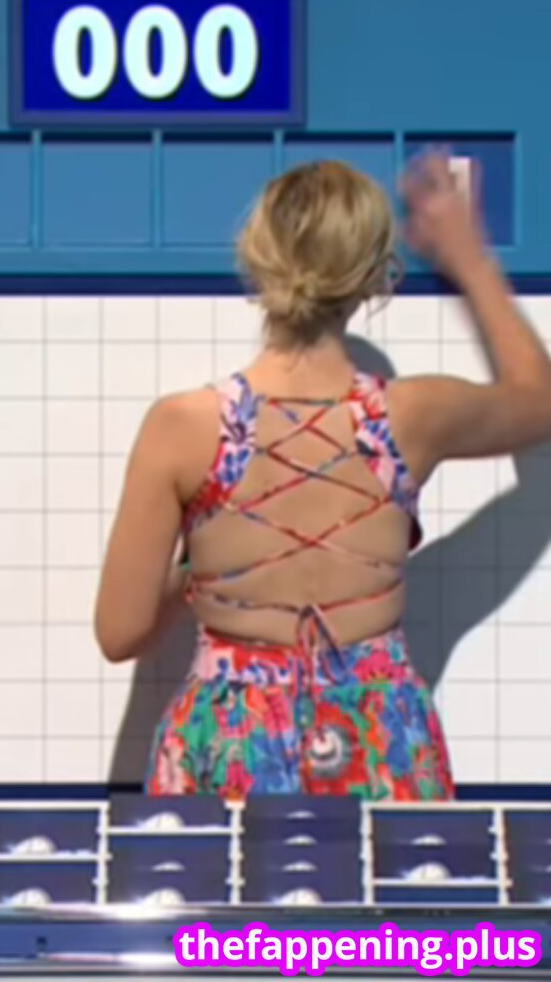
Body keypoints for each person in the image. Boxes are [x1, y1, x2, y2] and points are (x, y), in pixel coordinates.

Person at [95, 154, 551, 799]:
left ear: (256, 258)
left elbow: (121, 633)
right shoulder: (412, 416)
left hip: (230, 743)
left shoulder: (182, 427)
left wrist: (206, 560)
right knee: (389, 872)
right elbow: (540, 402)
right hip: (379, 737)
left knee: (226, 872)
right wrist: (467, 257)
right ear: (375, 277)